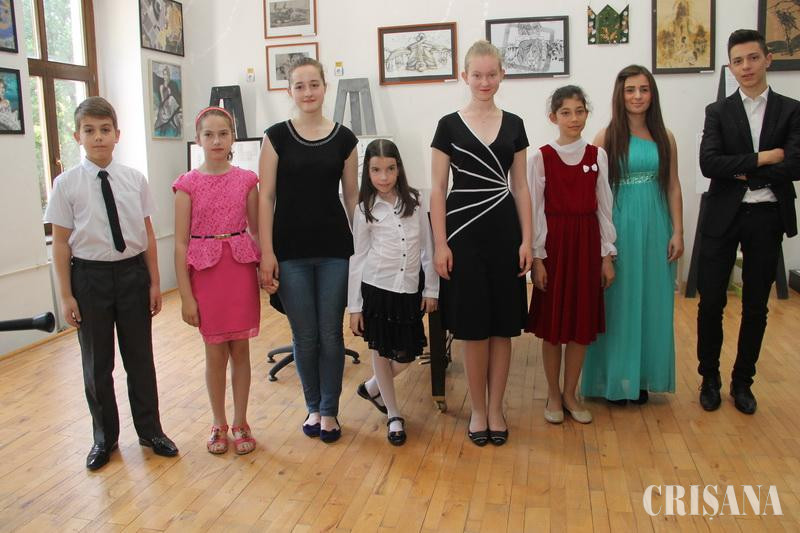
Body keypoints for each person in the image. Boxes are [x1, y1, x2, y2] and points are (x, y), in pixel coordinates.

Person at [43, 96, 178, 470]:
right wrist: (66, 295)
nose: (98, 137)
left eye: (105, 130)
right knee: (97, 364)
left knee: (140, 359)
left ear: (117, 134)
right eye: (90, 131)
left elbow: (147, 235)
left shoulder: (134, 179)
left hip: (133, 275)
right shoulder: (66, 184)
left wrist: (154, 282)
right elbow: (60, 243)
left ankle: (151, 431)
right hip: (90, 279)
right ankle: (104, 438)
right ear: (77, 136)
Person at [430, 40, 532, 447]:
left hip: (505, 232)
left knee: (502, 326)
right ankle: (477, 409)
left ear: (502, 74)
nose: (485, 81)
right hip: (463, 234)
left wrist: (527, 240)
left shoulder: (516, 124)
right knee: (473, 328)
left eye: (492, 74)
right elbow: (437, 189)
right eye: (477, 74)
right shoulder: (448, 125)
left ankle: (496, 408)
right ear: (465, 76)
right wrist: (440, 244)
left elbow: (521, 187)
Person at [697, 29, 799, 414]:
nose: (746, 67)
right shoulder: (718, 111)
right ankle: (709, 378)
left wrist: (740, 170)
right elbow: (710, 163)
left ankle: (743, 382)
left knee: (756, 305)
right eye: (738, 61)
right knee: (711, 302)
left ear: (767, 59)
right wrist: (765, 158)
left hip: (768, 217)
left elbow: (796, 164)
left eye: (753, 58)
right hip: (723, 216)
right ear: (730, 66)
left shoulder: (791, 110)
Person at [258, 57, 359, 443]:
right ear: (290, 91)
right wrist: (267, 252)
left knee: (330, 334)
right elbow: (265, 197)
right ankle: (313, 407)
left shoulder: (345, 139)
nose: (307, 92)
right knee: (305, 336)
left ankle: (330, 411)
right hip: (289, 251)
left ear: (324, 87)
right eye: (299, 86)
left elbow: (352, 198)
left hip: (335, 250)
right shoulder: (275, 137)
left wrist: (364, 251)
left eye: (314, 84)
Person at [582, 65, 684, 405]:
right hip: (621, 227)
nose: (637, 96)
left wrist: (678, 231)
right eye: (630, 90)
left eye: (643, 89)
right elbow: (595, 195)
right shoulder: (605, 137)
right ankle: (614, 378)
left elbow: (673, 186)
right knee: (619, 303)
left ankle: (641, 378)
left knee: (653, 301)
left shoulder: (665, 136)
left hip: (656, 226)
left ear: (652, 94)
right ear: (620, 95)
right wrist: (602, 245)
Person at [174, 107, 267, 455]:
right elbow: (180, 244)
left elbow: (256, 230)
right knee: (215, 353)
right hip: (206, 274)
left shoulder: (246, 180)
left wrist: (265, 268)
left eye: (223, 134)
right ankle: (218, 422)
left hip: (239, 271)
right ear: (198, 139)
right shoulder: (187, 185)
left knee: (240, 350)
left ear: (233, 138)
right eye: (209, 134)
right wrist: (185, 296)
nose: (216, 141)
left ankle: (241, 421)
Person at [527, 86, 616, 425]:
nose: (574, 118)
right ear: (554, 117)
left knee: (580, 325)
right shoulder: (541, 158)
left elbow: (604, 209)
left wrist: (606, 256)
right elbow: (535, 211)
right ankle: (553, 393)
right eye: (566, 112)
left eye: (580, 111)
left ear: (587, 114)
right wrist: (538, 258)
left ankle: (570, 393)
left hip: (586, 246)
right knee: (553, 328)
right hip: (555, 247)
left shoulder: (597, 156)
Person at [348, 139, 439, 446]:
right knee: (381, 351)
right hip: (377, 289)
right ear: (367, 172)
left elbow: (427, 248)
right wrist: (354, 307)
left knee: (408, 353)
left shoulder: (416, 201)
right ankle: (394, 415)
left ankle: (372, 387)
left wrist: (432, 289)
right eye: (376, 170)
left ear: (399, 168)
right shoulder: (364, 209)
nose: (384, 177)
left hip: (408, 289)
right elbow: (358, 257)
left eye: (389, 169)